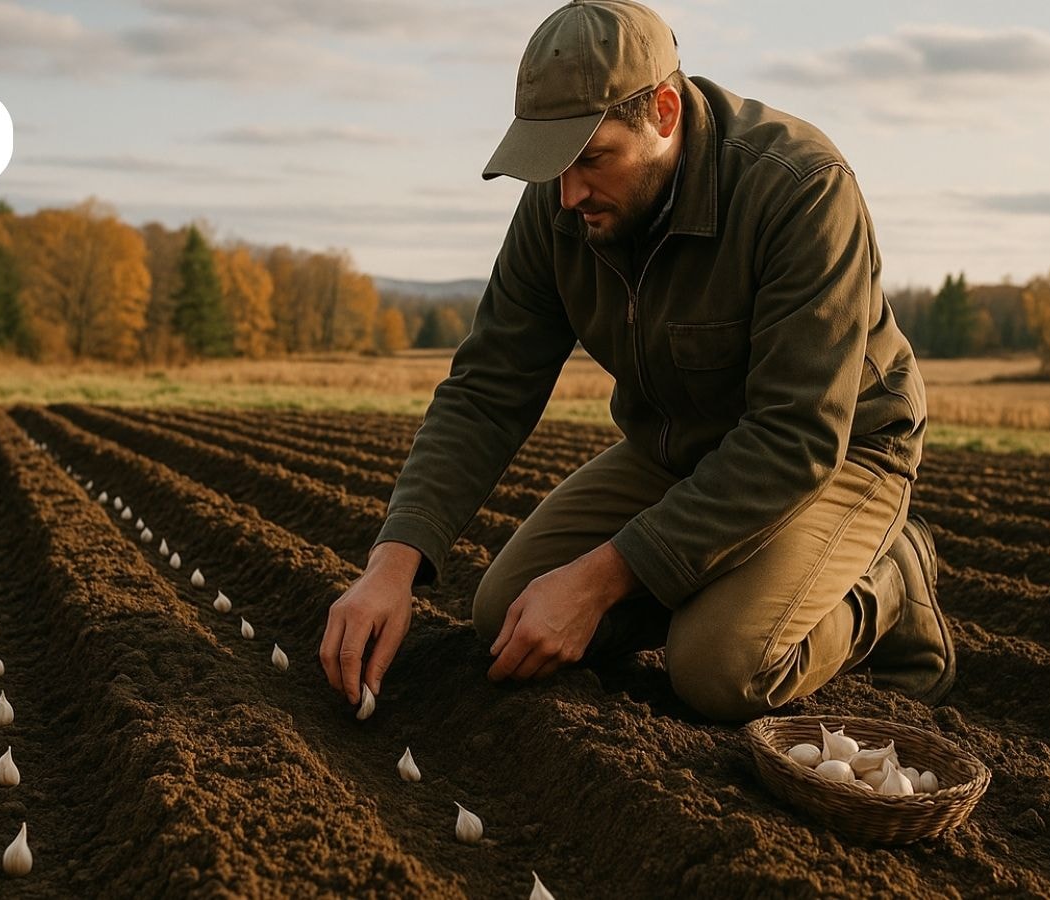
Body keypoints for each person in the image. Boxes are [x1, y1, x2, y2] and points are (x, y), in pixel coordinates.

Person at [318, 0, 955, 720]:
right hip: (676, 444)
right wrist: (392, 564)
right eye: (553, 164)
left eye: (592, 158)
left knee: (720, 667)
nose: (568, 194)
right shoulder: (558, 206)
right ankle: (712, 577)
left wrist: (598, 581)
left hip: (840, 452)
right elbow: (487, 389)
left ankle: (892, 582)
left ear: (664, 109)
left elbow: (796, 436)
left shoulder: (800, 190)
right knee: (506, 617)